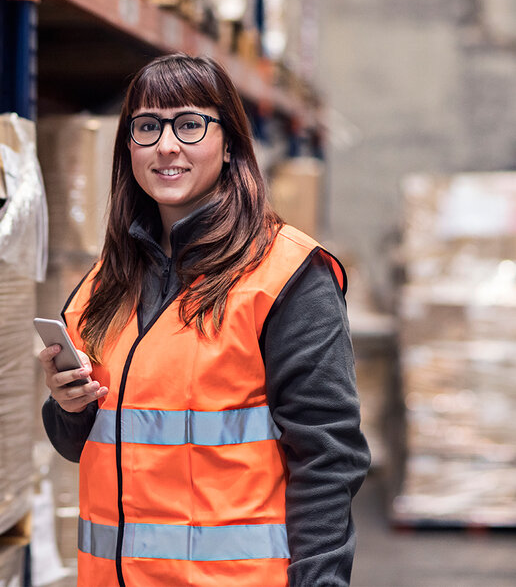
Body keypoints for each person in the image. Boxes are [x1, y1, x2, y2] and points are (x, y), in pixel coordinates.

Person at [39, 54, 370, 586]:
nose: (167, 145)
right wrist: (67, 406)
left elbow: (328, 457)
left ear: (231, 142)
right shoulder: (103, 287)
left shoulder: (286, 277)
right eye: (147, 127)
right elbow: (79, 443)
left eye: (189, 124)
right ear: (129, 148)